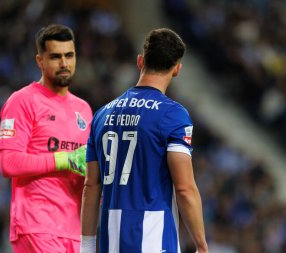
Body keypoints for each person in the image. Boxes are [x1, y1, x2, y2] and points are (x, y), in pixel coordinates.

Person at [80, 28, 209, 253]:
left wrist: (88, 245)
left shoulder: (101, 115)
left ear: (140, 61)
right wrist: (201, 245)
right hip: (153, 240)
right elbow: (185, 189)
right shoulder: (173, 115)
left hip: (111, 242)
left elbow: (91, 185)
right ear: (177, 69)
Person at [0, 24, 92, 253]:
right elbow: (8, 162)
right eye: (55, 57)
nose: (64, 64)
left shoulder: (84, 109)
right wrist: (62, 159)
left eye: (69, 55)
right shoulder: (22, 101)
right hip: (36, 224)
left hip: (74, 230)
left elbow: (83, 168)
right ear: (40, 61)